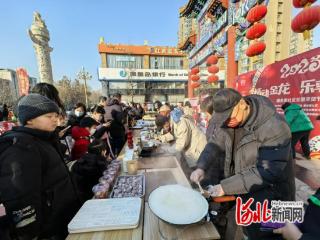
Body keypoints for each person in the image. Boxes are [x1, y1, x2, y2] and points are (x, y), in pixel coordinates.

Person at [190, 88, 295, 240]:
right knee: (249, 232)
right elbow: (214, 144)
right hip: (247, 190)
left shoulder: (275, 126)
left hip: (275, 195)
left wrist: (225, 187)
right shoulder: (229, 121)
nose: (226, 121)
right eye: (222, 118)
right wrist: (201, 166)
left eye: (228, 116)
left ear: (241, 104)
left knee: (272, 235)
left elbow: (267, 172)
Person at [0, 94, 80, 239]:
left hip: (63, 221)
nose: (55, 119)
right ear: (29, 119)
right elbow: (20, 198)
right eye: (49, 116)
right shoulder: (21, 147)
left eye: (56, 115)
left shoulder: (44, 140)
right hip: (48, 231)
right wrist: (30, 234)